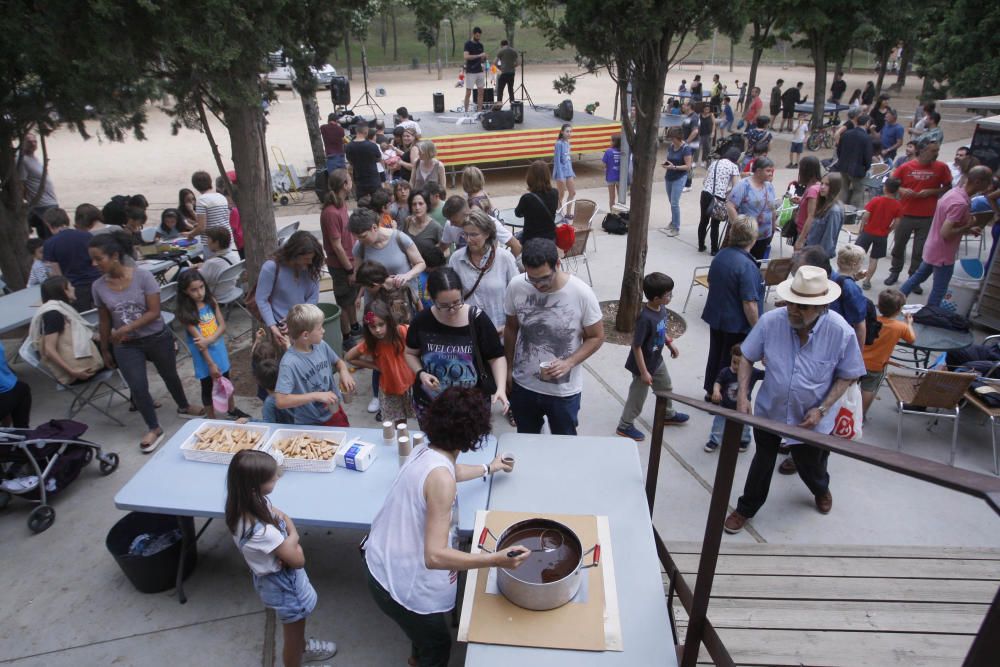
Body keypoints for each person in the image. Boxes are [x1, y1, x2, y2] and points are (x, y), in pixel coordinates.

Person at [364, 387, 528, 667]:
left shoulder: (424, 452)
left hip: (379, 563)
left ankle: (415, 657)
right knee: (438, 644)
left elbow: (449, 470)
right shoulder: (441, 480)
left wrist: (490, 467)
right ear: (470, 437)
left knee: (423, 636)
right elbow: (435, 556)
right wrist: (495, 559)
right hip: (400, 583)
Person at [723, 266, 866, 534]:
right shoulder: (770, 322)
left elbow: (848, 376)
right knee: (762, 461)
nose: (793, 310)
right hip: (770, 411)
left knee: (810, 465)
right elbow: (747, 356)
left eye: (802, 306)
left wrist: (822, 410)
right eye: (791, 302)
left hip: (810, 421)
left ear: (821, 306)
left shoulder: (841, 332)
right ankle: (746, 508)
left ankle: (821, 489)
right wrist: (743, 395)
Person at [90, 232, 202, 452]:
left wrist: (126, 327)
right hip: (125, 345)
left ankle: (184, 405)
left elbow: (154, 312)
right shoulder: (98, 287)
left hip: (156, 337)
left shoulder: (143, 277)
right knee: (138, 386)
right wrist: (105, 348)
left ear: (114, 256)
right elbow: (103, 320)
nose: (94, 264)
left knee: (169, 374)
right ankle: (153, 427)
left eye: (98, 258)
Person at [226, 449, 337, 667]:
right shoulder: (261, 532)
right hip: (284, 585)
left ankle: (303, 647)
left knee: (297, 631)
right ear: (253, 485)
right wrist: (293, 536)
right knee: (292, 637)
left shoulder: (244, 503)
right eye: (271, 477)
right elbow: (298, 559)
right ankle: (297, 656)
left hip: (271, 578)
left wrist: (287, 541)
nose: (276, 477)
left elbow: (282, 516)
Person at [504, 238, 604, 435]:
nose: (538, 285)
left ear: (558, 264)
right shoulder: (516, 286)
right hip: (524, 385)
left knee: (564, 444)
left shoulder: (581, 293)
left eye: (544, 278)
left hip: (563, 392)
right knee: (527, 439)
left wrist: (569, 362)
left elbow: (597, 336)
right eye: (531, 279)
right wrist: (508, 368)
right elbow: (511, 328)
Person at [405, 267, 508, 412]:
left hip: (472, 404)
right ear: (433, 300)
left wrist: (501, 388)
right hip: (431, 403)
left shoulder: (477, 319)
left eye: (457, 302)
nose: (452, 310)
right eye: (444, 306)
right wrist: (421, 373)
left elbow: (496, 357)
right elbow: (410, 353)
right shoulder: (422, 321)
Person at [899, 166, 994, 306]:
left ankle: (893, 302)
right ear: (978, 182)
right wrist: (966, 227)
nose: (990, 185)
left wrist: (968, 229)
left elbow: (949, 226)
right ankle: (930, 316)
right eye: (988, 181)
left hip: (933, 247)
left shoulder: (954, 193)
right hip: (943, 253)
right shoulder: (960, 203)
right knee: (939, 290)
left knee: (917, 278)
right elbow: (946, 233)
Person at [615, 273, 689, 442]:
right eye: (668, 295)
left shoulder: (661, 309)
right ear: (656, 298)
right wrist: (644, 372)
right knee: (638, 396)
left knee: (665, 386)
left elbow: (661, 330)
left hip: (656, 360)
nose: (670, 297)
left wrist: (670, 343)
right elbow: (636, 346)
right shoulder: (645, 318)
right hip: (643, 366)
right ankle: (625, 425)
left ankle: (667, 414)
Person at [700, 216, 762, 397]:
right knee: (731, 363)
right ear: (752, 238)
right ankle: (723, 397)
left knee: (715, 355)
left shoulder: (721, 256)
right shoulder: (747, 266)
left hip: (717, 317)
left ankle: (711, 391)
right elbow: (749, 303)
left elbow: (711, 282)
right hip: (736, 323)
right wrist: (758, 329)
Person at [175, 270, 248, 420]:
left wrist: (209, 340)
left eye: (201, 287)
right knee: (207, 387)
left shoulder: (211, 301)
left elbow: (222, 326)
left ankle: (231, 409)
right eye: (193, 290)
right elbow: (199, 344)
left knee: (226, 381)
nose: (199, 293)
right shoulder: (186, 313)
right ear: (185, 291)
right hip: (204, 358)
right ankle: (211, 418)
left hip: (219, 351)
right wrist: (211, 364)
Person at [885, 137, 953, 287]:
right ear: (921, 151)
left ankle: (914, 278)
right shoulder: (906, 167)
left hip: (927, 216)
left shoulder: (941, 167)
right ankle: (895, 272)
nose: (936, 154)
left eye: (937, 151)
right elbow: (892, 183)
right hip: (905, 213)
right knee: (899, 245)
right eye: (933, 151)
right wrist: (902, 189)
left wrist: (932, 191)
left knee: (919, 249)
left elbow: (948, 187)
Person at [274, 304, 355, 427]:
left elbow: (338, 362)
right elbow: (280, 401)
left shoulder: (321, 345)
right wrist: (315, 396)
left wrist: (344, 372)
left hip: (333, 410)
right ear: (306, 335)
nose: (323, 330)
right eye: (320, 328)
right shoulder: (289, 363)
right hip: (310, 423)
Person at [447, 209, 519, 334]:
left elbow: (518, 297)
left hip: (500, 333)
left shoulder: (505, 258)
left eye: (474, 235)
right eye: (465, 234)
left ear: (487, 234)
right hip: (469, 332)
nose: (468, 240)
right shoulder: (456, 259)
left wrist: (506, 327)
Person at [345, 301, 415, 424]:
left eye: (381, 324)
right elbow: (349, 357)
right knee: (399, 425)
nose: (377, 330)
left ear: (389, 321)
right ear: (367, 327)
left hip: (411, 385)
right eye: (372, 326)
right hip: (391, 389)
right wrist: (375, 366)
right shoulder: (371, 343)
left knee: (422, 419)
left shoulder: (402, 332)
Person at [255, 231, 324, 348]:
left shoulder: (311, 267)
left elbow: (313, 297)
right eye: (306, 258)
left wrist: (296, 318)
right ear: (294, 255)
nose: (310, 262)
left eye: (311, 258)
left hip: (304, 321)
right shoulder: (271, 267)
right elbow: (261, 299)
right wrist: (272, 326)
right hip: (280, 327)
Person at [29, 276, 103, 385]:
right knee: (124, 349)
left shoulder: (62, 309)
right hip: (80, 372)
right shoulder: (54, 314)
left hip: (83, 363)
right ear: (64, 291)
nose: (73, 288)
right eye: (70, 286)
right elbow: (49, 349)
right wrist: (73, 372)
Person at [320, 169, 360, 344]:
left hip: (350, 260)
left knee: (352, 297)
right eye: (350, 180)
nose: (352, 183)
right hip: (341, 265)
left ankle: (355, 325)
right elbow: (336, 245)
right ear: (345, 185)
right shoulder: (331, 213)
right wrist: (349, 269)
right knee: (344, 301)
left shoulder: (341, 205)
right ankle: (346, 336)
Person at [860, 289, 915, 416]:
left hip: (859, 359)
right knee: (868, 389)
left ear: (879, 306)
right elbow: (912, 339)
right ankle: (861, 416)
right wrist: (909, 324)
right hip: (876, 365)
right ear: (899, 310)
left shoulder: (871, 320)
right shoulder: (900, 327)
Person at [351, 207, 426, 297]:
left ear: (374, 227)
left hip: (402, 298)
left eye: (363, 236)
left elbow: (421, 263)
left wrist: (407, 276)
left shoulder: (400, 238)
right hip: (377, 303)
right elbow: (358, 276)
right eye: (357, 237)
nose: (359, 240)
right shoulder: (359, 246)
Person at [706, 345, 765, 453]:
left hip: (743, 408)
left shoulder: (753, 372)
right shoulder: (726, 372)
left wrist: (767, 362)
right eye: (734, 362)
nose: (736, 366)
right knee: (718, 425)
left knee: (745, 428)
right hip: (724, 406)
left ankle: (744, 441)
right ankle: (714, 440)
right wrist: (716, 391)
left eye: (741, 363)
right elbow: (718, 382)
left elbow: (768, 375)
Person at [41, 207, 101, 312]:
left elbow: (55, 274)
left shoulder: (50, 244)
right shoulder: (86, 235)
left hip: (74, 288)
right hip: (97, 282)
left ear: (49, 225)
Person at [856, 177, 903, 289]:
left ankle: (854, 275)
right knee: (874, 259)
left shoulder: (876, 200)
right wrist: (889, 229)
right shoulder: (898, 205)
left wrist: (861, 228)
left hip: (868, 231)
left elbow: (866, 215)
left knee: (857, 255)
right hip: (882, 235)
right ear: (897, 190)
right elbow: (897, 222)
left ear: (885, 188)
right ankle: (867, 281)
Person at [726, 157, 777, 260]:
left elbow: (772, 208)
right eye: (768, 171)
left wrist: (773, 226)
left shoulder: (769, 186)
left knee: (756, 263)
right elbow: (730, 206)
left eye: (771, 171)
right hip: (746, 237)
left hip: (764, 235)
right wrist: (740, 227)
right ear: (758, 171)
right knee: (743, 262)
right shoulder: (743, 185)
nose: (771, 174)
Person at [441, 195, 520, 257]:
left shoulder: (490, 222)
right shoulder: (449, 224)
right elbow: (443, 246)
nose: (451, 224)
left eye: (454, 221)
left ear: (466, 214)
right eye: (449, 220)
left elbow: (516, 246)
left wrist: (506, 267)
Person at [698, 147, 741, 254]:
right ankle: (714, 249)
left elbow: (705, 181)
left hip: (705, 194)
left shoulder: (714, 163)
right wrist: (727, 192)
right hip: (719, 197)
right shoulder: (733, 167)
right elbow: (736, 187)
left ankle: (701, 245)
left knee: (703, 221)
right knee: (715, 224)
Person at [18, 133, 58, 240]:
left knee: (47, 235)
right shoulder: (22, 160)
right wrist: (25, 201)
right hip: (42, 204)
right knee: (50, 236)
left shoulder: (33, 157)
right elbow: (21, 184)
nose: (33, 144)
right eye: (29, 141)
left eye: (34, 141)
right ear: (22, 143)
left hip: (49, 201)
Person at [831, 245, 869, 352]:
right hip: (841, 333)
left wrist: (855, 278)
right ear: (854, 264)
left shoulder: (832, 276)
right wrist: (858, 354)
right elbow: (860, 324)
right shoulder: (852, 288)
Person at [185, 170, 230, 257]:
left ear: (195, 186)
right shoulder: (221, 197)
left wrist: (191, 235)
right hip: (226, 239)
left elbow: (202, 227)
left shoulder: (202, 200)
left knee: (212, 268)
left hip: (213, 242)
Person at [514, 160, 559, 243]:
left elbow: (517, 213)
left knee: (513, 240)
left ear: (530, 177)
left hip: (531, 239)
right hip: (550, 239)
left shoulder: (527, 198)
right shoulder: (555, 193)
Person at [803, 173, 845, 259]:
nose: (822, 187)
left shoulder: (834, 210)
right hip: (810, 249)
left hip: (818, 256)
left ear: (835, 187)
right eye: (821, 183)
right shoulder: (823, 203)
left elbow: (829, 238)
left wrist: (820, 258)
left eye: (827, 185)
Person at [663, 126, 694, 237]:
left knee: (675, 203)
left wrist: (674, 167)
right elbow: (670, 159)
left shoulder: (686, 149)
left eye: (672, 138)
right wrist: (667, 164)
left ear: (678, 137)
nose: (671, 140)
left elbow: (688, 166)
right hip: (669, 176)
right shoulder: (671, 147)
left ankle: (676, 227)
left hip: (679, 177)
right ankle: (673, 221)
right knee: (672, 202)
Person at [837, 114, 873, 208]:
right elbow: (867, 156)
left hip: (843, 166)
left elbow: (839, 150)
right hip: (857, 168)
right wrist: (867, 167)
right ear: (867, 123)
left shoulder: (846, 134)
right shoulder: (866, 137)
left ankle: (840, 209)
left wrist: (841, 161)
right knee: (858, 191)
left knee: (843, 189)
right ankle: (852, 212)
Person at [791, 156, 823, 249]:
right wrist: (801, 200)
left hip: (805, 234)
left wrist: (801, 239)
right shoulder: (815, 185)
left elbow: (811, 216)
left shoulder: (813, 189)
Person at [345, 120, 383, 199]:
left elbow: (350, 161)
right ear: (366, 131)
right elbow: (379, 158)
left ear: (356, 131)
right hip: (373, 179)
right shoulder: (372, 146)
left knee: (362, 205)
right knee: (377, 202)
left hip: (359, 180)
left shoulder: (348, 147)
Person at [197, 227, 241, 293]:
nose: (207, 242)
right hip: (231, 288)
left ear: (216, 243)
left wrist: (198, 268)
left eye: (208, 239)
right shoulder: (235, 255)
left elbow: (200, 279)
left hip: (215, 293)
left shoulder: (212, 263)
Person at [401, 190, 444, 258]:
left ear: (427, 205)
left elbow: (446, 251)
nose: (417, 208)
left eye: (421, 204)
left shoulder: (436, 227)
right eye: (414, 204)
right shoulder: (408, 221)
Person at [463, 27, 487, 112]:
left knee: (481, 92)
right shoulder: (468, 44)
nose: (478, 37)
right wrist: (479, 55)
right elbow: (466, 56)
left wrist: (484, 58)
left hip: (479, 71)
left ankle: (479, 111)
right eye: (477, 36)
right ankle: (466, 111)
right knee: (468, 92)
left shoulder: (480, 45)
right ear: (473, 34)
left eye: (479, 36)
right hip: (471, 71)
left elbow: (482, 59)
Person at [552, 124, 576, 210]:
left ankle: (568, 213)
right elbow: (557, 161)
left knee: (572, 192)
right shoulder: (558, 144)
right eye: (567, 131)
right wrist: (560, 176)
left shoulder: (568, 143)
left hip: (568, 172)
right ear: (562, 132)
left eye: (570, 131)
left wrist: (572, 172)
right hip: (561, 173)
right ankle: (558, 212)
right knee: (561, 194)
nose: (569, 133)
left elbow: (568, 159)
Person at [602, 134, 622, 211]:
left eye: (611, 140)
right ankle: (620, 212)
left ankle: (612, 213)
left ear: (614, 142)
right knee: (621, 197)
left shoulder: (608, 151)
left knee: (612, 197)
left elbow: (604, 164)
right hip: (620, 178)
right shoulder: (623, 152)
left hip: (610, 177)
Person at [495, 39, 517, 105]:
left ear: (501, 45)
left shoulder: (501, 51)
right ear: (507, 44)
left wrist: (500, 67)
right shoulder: (513, 51)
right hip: (512, 73)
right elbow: (519, 62)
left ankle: (499, 104)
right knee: (510, 89)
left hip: (504, 72)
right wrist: (512, 66)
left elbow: (495, 62)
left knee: (500, 89)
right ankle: (513, 104)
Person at [698, 103, 715, 168]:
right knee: (698, 148)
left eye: (708, 109)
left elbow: (714, 124)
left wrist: (713, 132)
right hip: (700, 133)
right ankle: (695, 161)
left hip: (708, 134)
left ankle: (704, 161)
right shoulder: (700, 115)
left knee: (707, 149)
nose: (707, 110)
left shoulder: (711, 115)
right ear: (703, 109)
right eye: (705, 109)